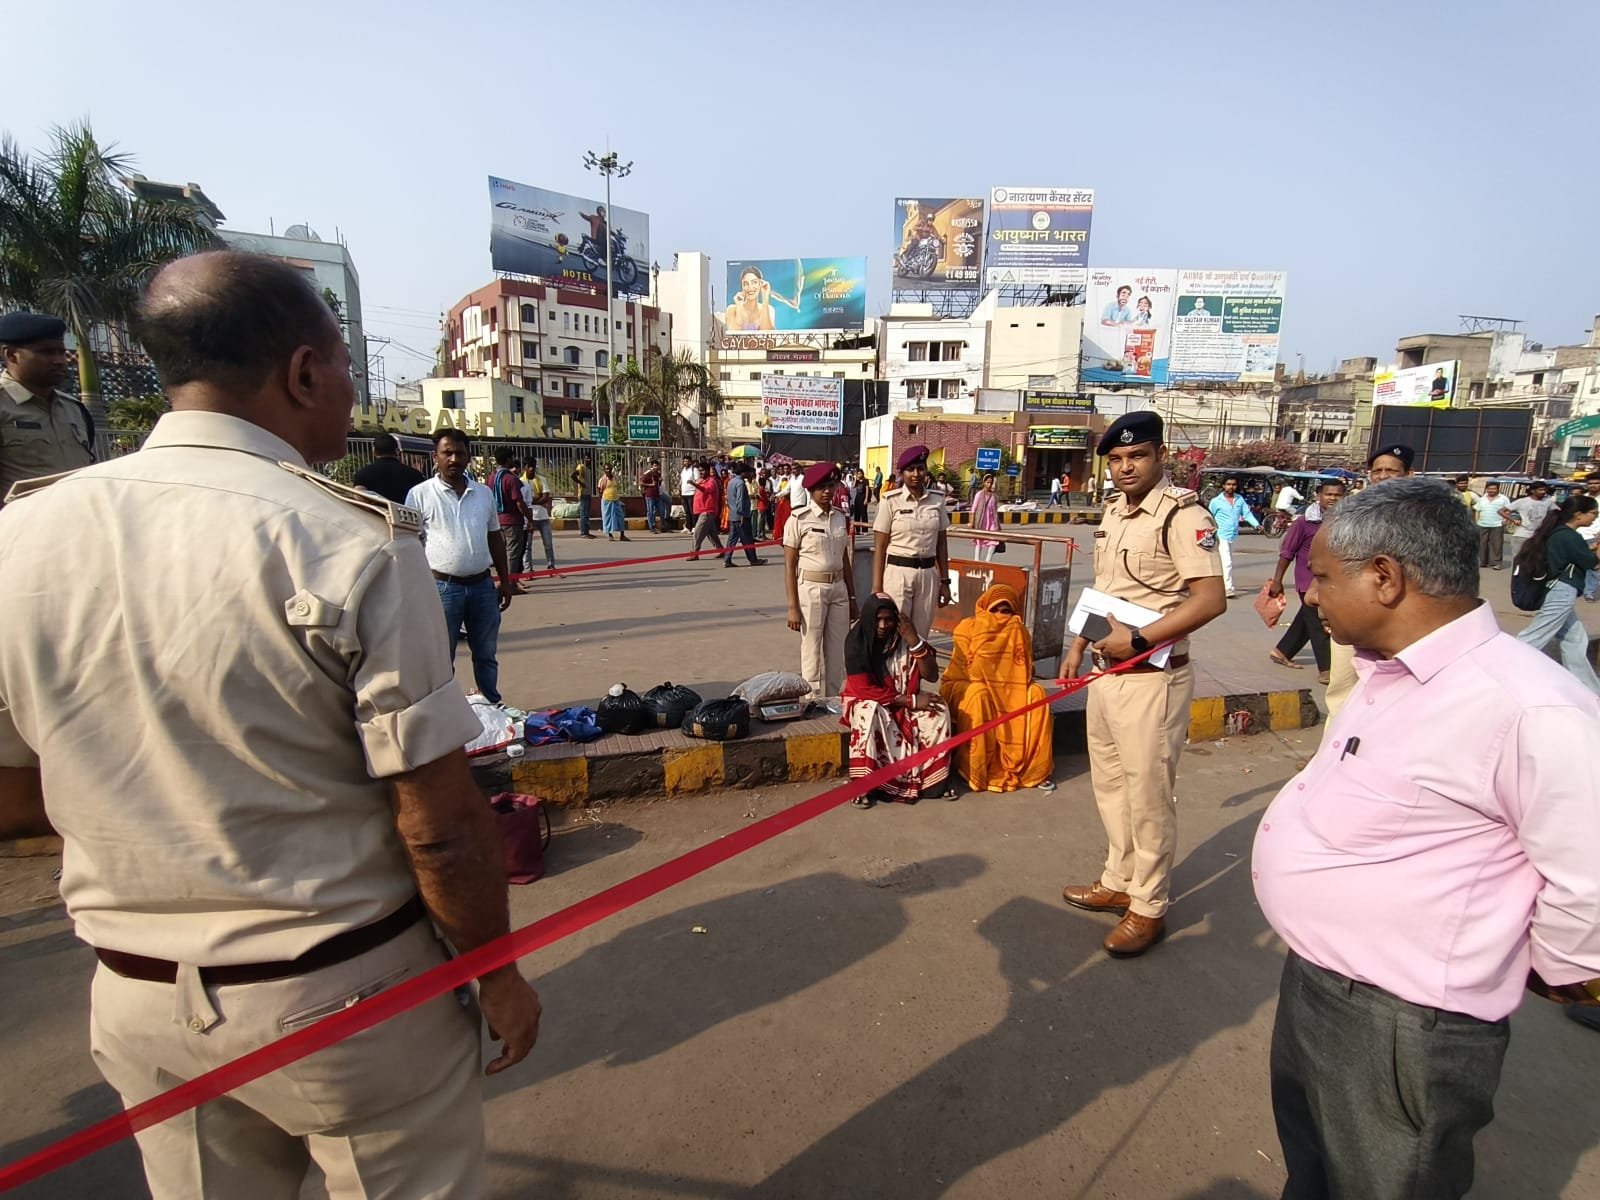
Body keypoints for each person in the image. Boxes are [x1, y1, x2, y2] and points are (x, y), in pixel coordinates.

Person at [0, 251, 540, 1197]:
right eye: (343, 368)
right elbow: (442, 825)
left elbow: (14, 794)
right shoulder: (352, 540)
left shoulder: (24, 535)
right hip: (343, 994)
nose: (346, 389)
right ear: (302, 372)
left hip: (136, 1000)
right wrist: (496, 972)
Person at [1253, 476, 1600, 1200]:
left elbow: (1590, 879)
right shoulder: (1388, 677)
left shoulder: (1529, 706)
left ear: (1385, 578)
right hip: (1319, 986)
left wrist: (1543, 966)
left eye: (1322, 577)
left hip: (1404, 1025)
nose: (1311, 596)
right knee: (1314, 1172)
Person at [1060, 411, 1226, 958]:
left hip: (1153, 679)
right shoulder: (1114, 512)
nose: (1125, 467)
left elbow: (1210, 598)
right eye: (1116, 460)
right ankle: (1118, 879)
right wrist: (1079, 644)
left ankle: (1149, 905)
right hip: (1106, 675)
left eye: (1136, 457)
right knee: (1110, 786)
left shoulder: (1181, 515)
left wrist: (1140, 641)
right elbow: (1106, 588)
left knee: (1149, 795)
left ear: (1159, 457)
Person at [406, 428, 519, 705]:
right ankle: (446, 711)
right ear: (436, 457)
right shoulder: (419, 495)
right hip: (442, 588)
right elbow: (409, 544)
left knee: (486, 653)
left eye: (460, 453)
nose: (454, 459)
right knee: (442, 656)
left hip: (482, 586)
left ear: (469, 457)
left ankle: (493, 705)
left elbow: (495, 537)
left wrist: (504, 581)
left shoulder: (483, 494)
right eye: (447, 453)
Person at [1324, 444, 1414, 721]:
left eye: (1391, 470)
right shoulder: (1349, 511)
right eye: (1378, 470)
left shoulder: (1421, 515)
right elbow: (1328, 559)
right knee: (1342, 687)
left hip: (1401, 614)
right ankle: (1333, 755)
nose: (1383, 476)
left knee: (1398, 692)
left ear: (1409, 474)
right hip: (1354, 611)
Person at [939, 584, 1054, 794]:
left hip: (1010, 689)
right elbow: (970, 671)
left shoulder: (1019, 632)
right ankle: (975, 769)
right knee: (979, 693)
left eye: (1006, 611)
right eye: (995, 611)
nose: (1000, 617)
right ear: (984, 609)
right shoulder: (968, 628)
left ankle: (1032, 770)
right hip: (963, 685)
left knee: (1037, 693)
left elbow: (1026, 672)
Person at [841, 594, 954, 806]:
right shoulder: (856, 642)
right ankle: (863, 786)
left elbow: (931, 675)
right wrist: (910, 701)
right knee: (868, 711)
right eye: (878, 620)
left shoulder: (904, 638)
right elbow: (864, 689)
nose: (883, 625)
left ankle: (932, 782)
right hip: (871, 700)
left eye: (888, 619)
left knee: (938, 709)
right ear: (868, 619)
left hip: (903, 701)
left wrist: (914, 641)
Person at [0, 311, 94, 506]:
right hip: (17, 529)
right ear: (11, 355)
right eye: (46, 352)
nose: (60, 360)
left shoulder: (74, 409)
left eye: (61, 351)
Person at [784, 462, 857, 704]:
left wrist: (853, 596)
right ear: (810, 490)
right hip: (811, 588)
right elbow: (789, 565)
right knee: (812, 649)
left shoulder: (839, 518)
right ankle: (811, 701)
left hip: (838, 589)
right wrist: (792, 606)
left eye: (831, 486)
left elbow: (844, 559)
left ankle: (834, 699)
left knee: (837, 650)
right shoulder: (798, 518)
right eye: (821, 487)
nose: (827, 491)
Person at [1513, 494, 1600, 694]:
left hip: (1559, 589)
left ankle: (1589, 689)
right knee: (1535, 636)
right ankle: (1500, 667)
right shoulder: (1569, 536)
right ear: (1579, 515)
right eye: (1593, 514)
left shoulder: (1560, 533)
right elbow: (1594, 564)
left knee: (1575, 640)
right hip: (1562, 591)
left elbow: (1574, 555)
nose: (1594, 518)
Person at [1268, 478, 1346, 683]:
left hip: (1332, 582)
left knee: (1306, 618)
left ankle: (1282, 651)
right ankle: (1326, 669)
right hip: (1307, 581)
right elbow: (1287, 552)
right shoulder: (1305, 522)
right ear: (1319, 496)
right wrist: (1278, 580)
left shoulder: (1343, 521)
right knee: (1319, 625)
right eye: (1329, 494)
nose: (1333, 499)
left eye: (1338, 495)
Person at [872, 444, 951, 639]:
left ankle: (915, 671)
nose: (916, 473)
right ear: (902, 473)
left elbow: (941, 544)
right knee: (896, 633)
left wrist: (945, 581)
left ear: (926, 471)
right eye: (910, 469)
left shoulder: (937, 500)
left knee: (921, 635)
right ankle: (895, 671)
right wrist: (876, 588)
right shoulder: (891, 501)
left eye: (920, 468)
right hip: (898, 574)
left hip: (928, 575)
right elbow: (880, 546)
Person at [1207, 475, 1260, 597]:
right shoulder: (1216, 501)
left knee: (1223, 562)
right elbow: (1209, 517)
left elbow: (1246, 514)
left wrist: (1256, 525)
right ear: (1223, 486)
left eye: (1233, 484)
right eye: (1228, 484)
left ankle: (1217, 585)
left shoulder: (1239, 499)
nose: (1231, 487)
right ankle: (1228, 589)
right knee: (1227, 562)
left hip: (1232, 535)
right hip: (1220, 535)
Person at [491, 448, 534, 571]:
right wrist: (530, 519)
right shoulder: (511, 479)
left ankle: (505, 579)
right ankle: (511, 582)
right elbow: (519, 502)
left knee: (502, 552)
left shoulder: (492, 477)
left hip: (497, 520)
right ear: (508, 459)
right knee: (513, 553)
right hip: (512, 521)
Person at [352, 430, 424, 504]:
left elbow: (359, 498)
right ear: (397, 451)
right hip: (406, 514)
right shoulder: (415, 475)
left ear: (374, 451)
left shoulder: (362, 474)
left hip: (375, 514)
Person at [722, 461, 766, 567]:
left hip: (733, 514)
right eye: (748, 472)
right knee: (748, 539)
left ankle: (727, 559)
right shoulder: (740, 483)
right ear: (743, 473)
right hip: (741, 515)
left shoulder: (731, 482)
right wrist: (742, 514)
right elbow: (740, 500)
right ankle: (753, 559)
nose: (749, 474)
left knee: (732, 539)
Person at [520, 458, 557, 573]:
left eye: (533, 466)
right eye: (529, 466)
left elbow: (545, 497)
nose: (532, 469)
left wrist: (531, 500)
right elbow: (522, 501)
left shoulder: (541, 479)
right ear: (525, 467)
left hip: (542, 516)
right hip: (528, 517)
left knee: (548, 544)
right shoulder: (520, 481)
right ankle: (528, 569)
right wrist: (537, 498)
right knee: (527, 546)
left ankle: (551, 566)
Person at [688, 458, 725, 560]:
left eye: (703, 470)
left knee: (698, 533)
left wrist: (694, 484)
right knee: (711, 533)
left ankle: (694, 553)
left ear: (708, 471)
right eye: (700, 471)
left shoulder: (711, 481)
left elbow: (706, 490)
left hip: (708, 511)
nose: (701, 473)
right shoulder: (701, 481)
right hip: (702, 511)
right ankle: (721, 550)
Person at [1471, 480, 1512, 568]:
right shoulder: (1482, 499)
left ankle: (1496, 563)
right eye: (1489, 489)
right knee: (1482, 544)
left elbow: (1508, 510)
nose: (1491, 490)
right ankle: (1482, 561)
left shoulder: (1503, 499)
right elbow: (1477, 510)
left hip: (1497, 524)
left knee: (1496, 544)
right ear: (1486, 489)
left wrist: (1506, 521)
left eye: (1493, 489)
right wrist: (1477, 521)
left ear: (1498, 489)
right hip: (1482, 524)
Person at [1508, 480, 1552, 559]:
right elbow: (1501, 511)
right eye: (1540, 490)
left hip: (1538, 536)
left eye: (1544, 490)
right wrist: (1513, 520)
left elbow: (1557, 513)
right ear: (1532, 491)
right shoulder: (1522, 501)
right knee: (1519, 559)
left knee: (1534, 560)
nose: (1543, 492)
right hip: (1522, 535)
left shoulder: (1548, 502)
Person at [969, 471, 1002, 562]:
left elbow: (995, 510)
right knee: (979, 540)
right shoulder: (979, 494)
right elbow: (973, 509)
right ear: (984, 483)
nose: (989, 484)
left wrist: (998, 524)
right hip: (981, 521)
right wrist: (971, 522)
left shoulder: (994, 496)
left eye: (991, 482)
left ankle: (988, 560)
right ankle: (977, 560)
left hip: (992, 522)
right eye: (987, 482)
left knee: (994, 540)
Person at [599, 460, 629, 542]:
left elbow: (617, 487)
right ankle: (610, 535)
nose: (608, 470)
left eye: (609, 468)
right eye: (606, 469)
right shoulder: (603, 479)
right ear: (604, 470)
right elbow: (600, 491)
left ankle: (622, 535)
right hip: (606, 500)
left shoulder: (615, 478)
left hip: (615, 500)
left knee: (620, 517)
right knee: (607, 518)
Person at [571, 455, 594, 538]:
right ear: (583, 459)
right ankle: (583, 532)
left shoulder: (588, 469)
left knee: (587, 514)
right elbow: (573, 475)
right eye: (586, 458)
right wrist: (580, 483)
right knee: (583, 514)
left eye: (589, 458)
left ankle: (587, 532)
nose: (588, 460)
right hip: (583, 493)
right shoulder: (581, 467)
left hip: (588, 493)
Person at [640, 457, 664, 533]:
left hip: (657, 494)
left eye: (657, 466)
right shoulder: (648, 473)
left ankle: (662, 526)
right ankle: (652, 527)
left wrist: (660, 481)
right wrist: (650, 484)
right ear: (652, 466)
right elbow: (641, 483)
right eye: (654, 466)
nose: (656, 467)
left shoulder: (658, 473)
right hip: (649, 495)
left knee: (661, 510)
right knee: (650, 511)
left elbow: (658, 485)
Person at [679, 454, 697, 530]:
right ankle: (688, 527)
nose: (686, 462)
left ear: (690, 462)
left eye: (687, 461)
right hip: (684, 493)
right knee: (686, 512)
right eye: (685, 461)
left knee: (692, 511)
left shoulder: (694, 470)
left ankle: (694, 526)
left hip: (691, 493)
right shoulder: (683, 470)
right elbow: (681, 481)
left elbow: (697, 481)